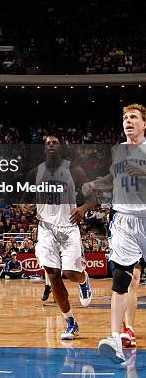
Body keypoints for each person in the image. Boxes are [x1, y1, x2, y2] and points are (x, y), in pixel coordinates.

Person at [82, 104, 146, 363]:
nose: (128, 121)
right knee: (121, 277)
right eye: (125, 118)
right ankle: (114, 337)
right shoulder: (118, 151)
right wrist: (95, 183)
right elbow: (113, 177)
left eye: (134, 117)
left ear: (144, 124)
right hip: (123, 218)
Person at [33, 136, 94, 340]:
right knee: (53, 275)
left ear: (60, 147)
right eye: (47, 143)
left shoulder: (74, 170)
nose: (51, 145)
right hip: (46, 228)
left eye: (55, 142)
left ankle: (83, 279)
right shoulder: (37, 171)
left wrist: (84, 209)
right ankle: (70, 322)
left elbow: (93, 197)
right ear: (43, 149)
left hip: (68, 226)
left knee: (70, 272)